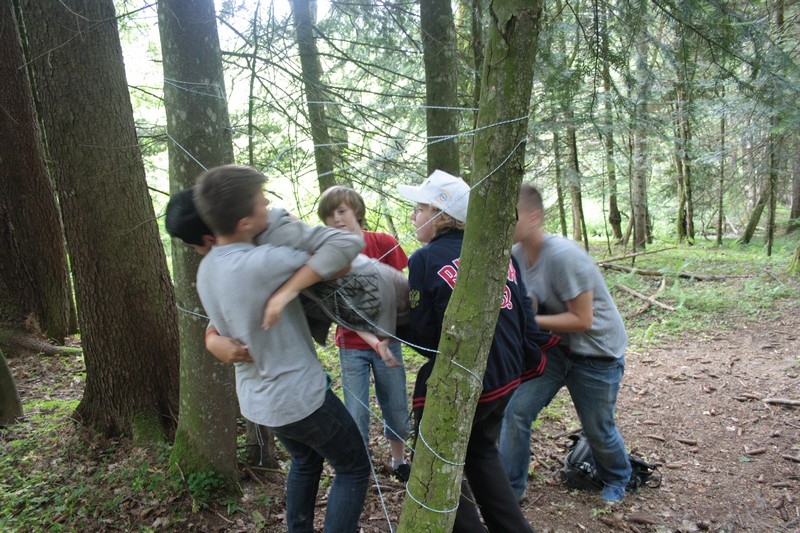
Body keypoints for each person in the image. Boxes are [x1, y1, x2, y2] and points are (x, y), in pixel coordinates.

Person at [192, 164, 370, 532]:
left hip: (261, 401)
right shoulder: (264, 262)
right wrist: (289, 288)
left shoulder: (208, 267)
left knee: (305, 461)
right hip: (299, 396)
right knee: (353, 467)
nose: (268, 204)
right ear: (244, 221)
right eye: (261, 203)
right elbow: (347, 245)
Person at [397, 170, 551, 533]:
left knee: (432, 462)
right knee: (480, 452)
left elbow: (424, 336)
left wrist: (393, 322)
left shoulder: (424, 259)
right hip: (507, 373)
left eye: (420, 209)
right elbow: (527, 316)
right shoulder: (499, 253)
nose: (413, 216)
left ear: (442, 214)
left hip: (467, 381)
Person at [498, 184, 631, 503]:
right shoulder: (515, 256)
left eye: (511, 214)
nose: (505, 220)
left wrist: (528, 323)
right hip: (558, 350)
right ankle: (510, 489)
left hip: (598, 353)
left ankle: (618, 477)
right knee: (515, 411)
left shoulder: (564, 256)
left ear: (534, 217)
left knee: (597, 427)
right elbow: (527, 303)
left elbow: (582, 319)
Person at [165, 187, 409, 360]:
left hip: (389, 297)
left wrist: (285, 290)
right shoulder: (238, 257)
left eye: (195, 247)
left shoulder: (269, 236)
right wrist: (211, 338)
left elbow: (340, 263)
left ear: (209, 239)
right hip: (365, 316)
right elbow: (232, 298)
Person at [317, 185, 411, 482]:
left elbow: (401, 289)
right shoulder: (328, 254)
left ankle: (399, 461)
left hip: (389, 340)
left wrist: (389, 332)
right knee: (355, 411)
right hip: (351, 343)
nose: (337, 219)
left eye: (342, 211)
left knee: (395, 404)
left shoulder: (382, 242)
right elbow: (336, 304)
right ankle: (360, 468)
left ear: (357, 211)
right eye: (330, 215)